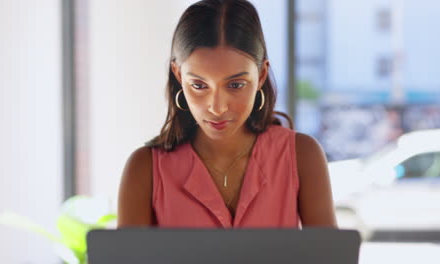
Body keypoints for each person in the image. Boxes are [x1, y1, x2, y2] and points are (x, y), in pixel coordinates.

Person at [117, 0, 337, 229]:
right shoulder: (145, 169)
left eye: (235, 85)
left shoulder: (301, 155)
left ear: (261, 75)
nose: (217, 107)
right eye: (199, 86)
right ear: (178, 74)